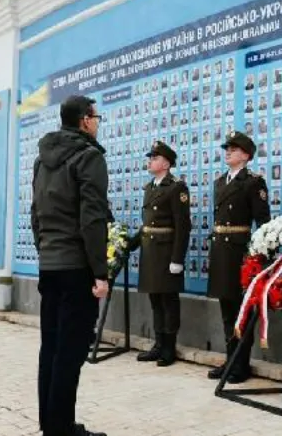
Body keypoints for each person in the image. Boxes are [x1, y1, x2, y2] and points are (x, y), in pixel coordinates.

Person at [31, 95, 109, 436]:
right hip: (77, 267)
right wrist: (100, 272)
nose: (97, 123)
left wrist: (45, 250)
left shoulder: (42, 160)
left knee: (51, 348)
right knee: (71, 351)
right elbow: (92, 219)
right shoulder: (88, 157)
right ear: (84, 120)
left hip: (50, 264)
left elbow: (36, 214)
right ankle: (61, 429)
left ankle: (52, 424)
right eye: (96, 117)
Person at [206, 131, 271, 384]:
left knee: (242, 311)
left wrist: (259, 257)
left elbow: (263, 222)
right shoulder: (220, 182)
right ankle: (231, 358)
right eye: (227, 149)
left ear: (246, 155)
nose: (228, 152)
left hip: (240, 252)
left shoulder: (253, 182)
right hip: (222, 250)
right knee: (227, 309)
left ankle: (241, 364)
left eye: (233, 149)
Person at [127, 141, 191, 367]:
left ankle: (168, 348)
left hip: (166, 252)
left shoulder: (176, 187)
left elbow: (183, 226)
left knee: (168, 300)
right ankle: (158, 343)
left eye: (154, 158)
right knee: (155, 299)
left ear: (165, 163)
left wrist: (177, 259)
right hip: (150, 251)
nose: (150, 161)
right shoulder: (150, 187)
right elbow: (147, 225)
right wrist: (131, 243)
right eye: (150, 158)